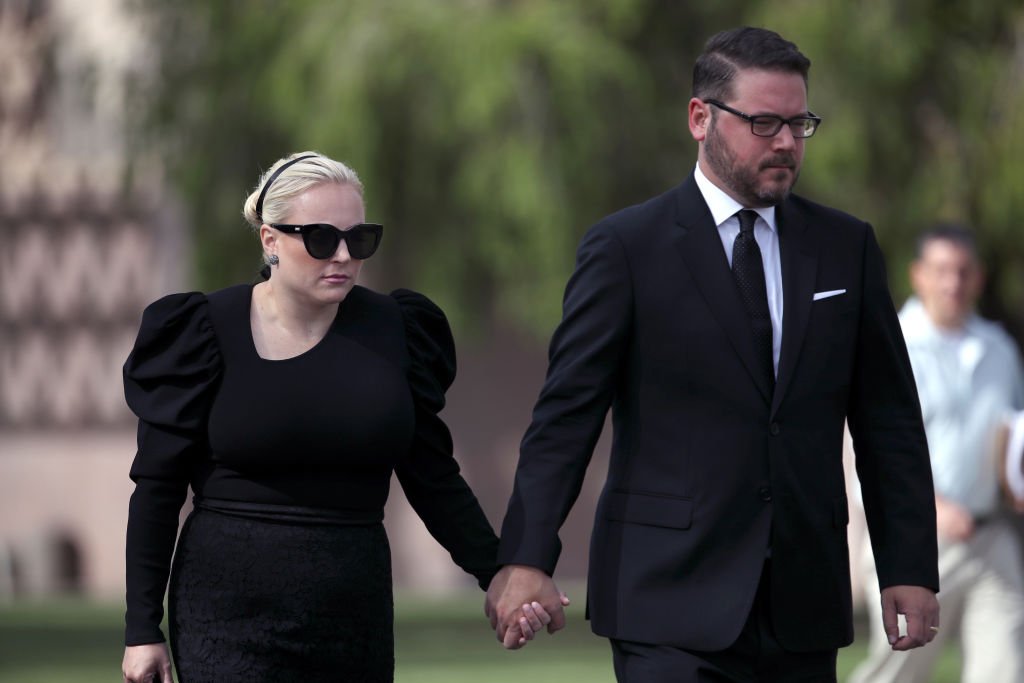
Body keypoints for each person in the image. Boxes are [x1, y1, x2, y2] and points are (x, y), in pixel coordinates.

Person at [485, 27, 941, 682]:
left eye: (799, 123)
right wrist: (526, 556)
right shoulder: (626, 249)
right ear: (700, 118)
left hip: (803, 604)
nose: (785, 142)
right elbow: (566, 418)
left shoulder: (847, 249)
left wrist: (907, 566)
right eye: (763, 122)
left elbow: (889, 422)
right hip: (665, 603)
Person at [119, 151, 555, 683]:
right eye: (322, 238)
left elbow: (433, 478)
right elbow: (157, 489)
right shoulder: (202, 332)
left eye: (360, 239)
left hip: (353, 616)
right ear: (270, 240)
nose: (344, 256)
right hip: (226, 617)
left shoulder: (397, 331)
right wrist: (142, 629)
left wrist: (500, 572)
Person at [849, 225, 1024, 683]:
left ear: (979, 278)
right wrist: (936, 506)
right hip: (915, 537)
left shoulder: (1000, 349)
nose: (953, 283)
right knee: (900, 670)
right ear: (918, 275)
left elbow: (1011, 436)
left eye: (964, 271)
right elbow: (869, 441)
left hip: (991, 537)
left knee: (1005, 666)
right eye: (942, 270)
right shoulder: (893, 342)